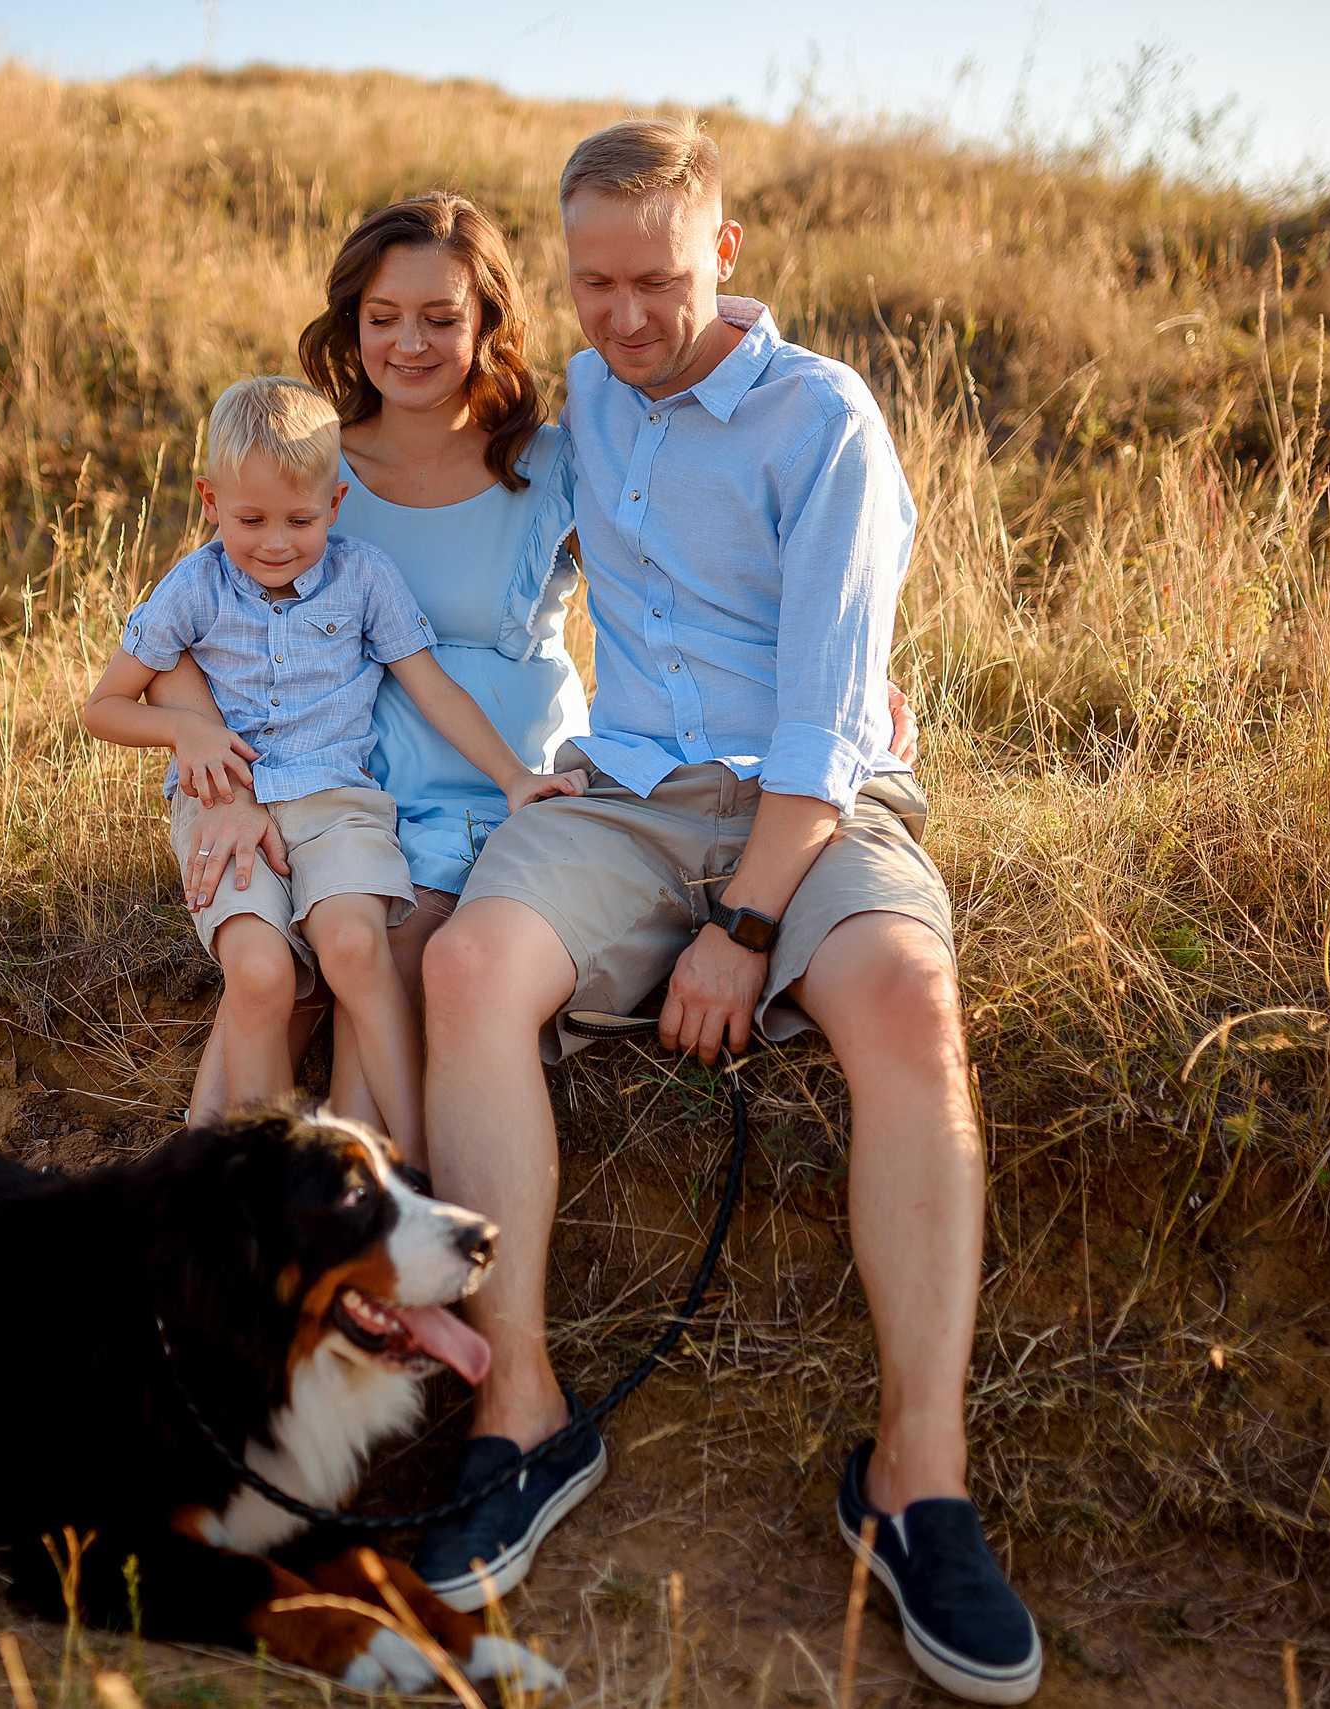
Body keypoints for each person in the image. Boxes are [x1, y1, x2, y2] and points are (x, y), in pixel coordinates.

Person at [409, 120, 1043, 1704]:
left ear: (729, 258)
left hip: (806, 808)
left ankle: (918, 1479)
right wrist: (226, 728)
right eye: (593, 283)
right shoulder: (580, 410)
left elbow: (832, 722)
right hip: (622, 793)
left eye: (658, 281)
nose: (623, 317)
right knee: (474, 963)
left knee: (907, 999)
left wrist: (746, 924)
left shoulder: (823, 420)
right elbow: (399, 488)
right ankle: (525, 1416)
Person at [152, 193, 593, 1159]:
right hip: (336, 787)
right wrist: (219, 777)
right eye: (384, 316)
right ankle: (202, 1231)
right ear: (352, 323)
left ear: (488, 324)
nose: (411, 343)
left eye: (443, 317)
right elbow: (191, 637)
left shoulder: (550, 464)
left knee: (379, 962)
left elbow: (671, 600)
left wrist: (830, 685)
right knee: (275, 984)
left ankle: (371, 1216)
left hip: (497, 792)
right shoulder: (309, 467)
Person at [81, 375, 581, 1159]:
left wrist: (516, 776)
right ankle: (258, 1171)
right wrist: (184, 730)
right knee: (259, 971)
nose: (275, 542)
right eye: (251, 520)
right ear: (210, 501)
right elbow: (103, 706)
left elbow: (432, 687)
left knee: (353, 947)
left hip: (337, 801)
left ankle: (410, 1157)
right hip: (222, 806)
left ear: (337, 505)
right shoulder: (192, 587)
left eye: (300, 520)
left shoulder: (364, 577)